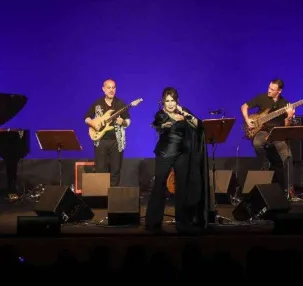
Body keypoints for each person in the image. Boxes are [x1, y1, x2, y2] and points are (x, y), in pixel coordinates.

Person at [145, 87, 209, 233]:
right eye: (167, 101)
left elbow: (199, 125)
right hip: (165, 153)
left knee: (182, 186)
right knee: (159, 185)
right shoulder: (161, 114)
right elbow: (158, 125)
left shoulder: (183, 112)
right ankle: (154, 223)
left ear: (177, 101)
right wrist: (166, 124)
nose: (170, 104)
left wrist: (184, 114)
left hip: (182, 153)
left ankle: (183, 222)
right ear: (163, 102)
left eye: (172, 100)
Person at [241, 79, 295, 193]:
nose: (269, 91)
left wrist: (290, 116)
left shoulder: (285, 104)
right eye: (269, 88)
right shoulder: (262, 98)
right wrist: (247, 120)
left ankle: (290, 189)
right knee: (257, 143)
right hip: (263, 131)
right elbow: (244, 106)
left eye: (272, 89)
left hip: (276, 133)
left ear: (279, 91)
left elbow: (286, 127)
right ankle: (266, 162)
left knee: (288, 156)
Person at [84, 79, 131, 187]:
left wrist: (123, 122)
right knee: (100, 170)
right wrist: (93, 124)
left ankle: (113, 194)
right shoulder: (97, 103)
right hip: (100, 141)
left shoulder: (120, 104)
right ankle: (101, 194)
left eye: (113, 87)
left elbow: (128, 121)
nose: (111, 90)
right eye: (108, 87)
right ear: (103, 89)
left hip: (116, 142)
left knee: (115, 170)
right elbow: (86, 118)